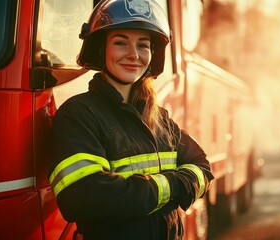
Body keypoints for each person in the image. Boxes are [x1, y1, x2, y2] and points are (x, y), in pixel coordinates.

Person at [48, 0, 214, 239]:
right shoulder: (78, 115)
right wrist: (174, 186)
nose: (134, 54)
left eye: (143, 45)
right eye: (121, 43)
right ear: (100, 49)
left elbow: (202, 168)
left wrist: (152, 190)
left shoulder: (158, 117)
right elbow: (85, 196)